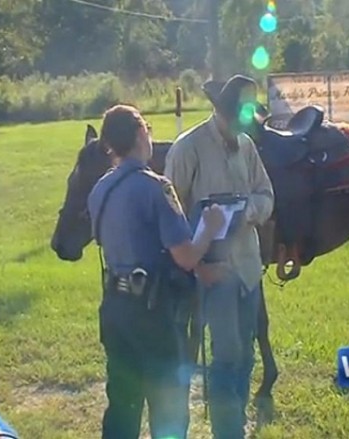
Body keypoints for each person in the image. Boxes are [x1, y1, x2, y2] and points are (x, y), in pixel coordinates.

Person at [87, 104, 226, 439]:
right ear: (139, 134)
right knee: (168, 409)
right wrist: (210, 228)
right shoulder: (156, 187)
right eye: (146, 128)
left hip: (115, 310)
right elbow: (186, 256)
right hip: (154, 314)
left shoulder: (99, 190)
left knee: (122, 405)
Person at [164, 75, 275, 439]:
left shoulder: (246, 147)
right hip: (213, 273)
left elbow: (266, 195)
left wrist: (249, 212)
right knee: (227, 357)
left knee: (245, 356)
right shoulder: (189, 148)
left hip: (247, 270)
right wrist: (196, 264)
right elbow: (171, 214)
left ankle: (234, 425)